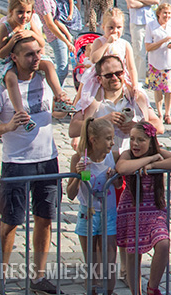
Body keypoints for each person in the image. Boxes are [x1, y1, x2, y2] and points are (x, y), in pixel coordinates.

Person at [0, 37, 62, 294]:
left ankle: (38, 278)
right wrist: (7, 126)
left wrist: (65, 109)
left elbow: (52, 112)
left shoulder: (45, 78)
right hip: (17, 163)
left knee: (45, 219)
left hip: (48, 159)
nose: (36, 58)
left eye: (38, 52)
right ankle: (0, 280)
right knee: (11, 222)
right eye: (29, 54)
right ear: (14, 58)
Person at [116, 122, 171, 295]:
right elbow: (122, 167)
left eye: (141, 140)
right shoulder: (128, 154)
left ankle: (152, 287)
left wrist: (154, 164)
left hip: (154, 209)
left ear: (151, 141)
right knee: (133, 253)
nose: (135, 143)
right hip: (131, 209)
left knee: (163, 243)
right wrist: (149, 160)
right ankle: (136, 291)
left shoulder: (158, 153)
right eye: (132, 139)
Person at [65, 117, 121, 295]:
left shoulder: (113, 156)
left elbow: (119, 185)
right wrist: (78, 175)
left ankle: (109, 291)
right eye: (107, 138)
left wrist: (115, 177)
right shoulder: (79, 159)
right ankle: (92, 289)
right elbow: (71, 194)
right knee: (92, 259)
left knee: (110, 258)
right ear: (93, 140)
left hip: (109, 213)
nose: (111, 142)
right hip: (88, 213)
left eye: (112, 138)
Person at [145, 3, 171, 125]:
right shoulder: (151, 26)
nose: (167, 16)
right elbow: (148, 47)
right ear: (159, 13)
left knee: (169, 90)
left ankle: (168, 113)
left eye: (169, 13)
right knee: (158, 89)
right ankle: (159, 113)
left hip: (170, 61)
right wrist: (163, 41)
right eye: (165, 13)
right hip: (156, 62)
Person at [34, 0, 74, 85]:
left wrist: (67, 34)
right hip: (55, 36)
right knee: (62, 70)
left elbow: (56, 18)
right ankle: (55, 94)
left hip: (60, 33)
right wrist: (66, 41)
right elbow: (50, 24)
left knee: (63, 68)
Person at [124, 0, 160, 80]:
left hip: (150, 21)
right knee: (138, 52)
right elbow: (131, 4)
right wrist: (147, 1)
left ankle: (152, 77)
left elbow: (156, 0)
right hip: (137, 21)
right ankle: (138, 79)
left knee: (152, 51)